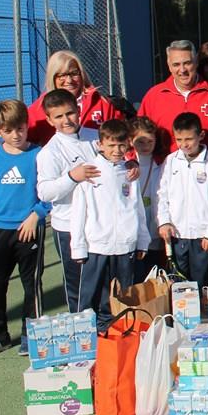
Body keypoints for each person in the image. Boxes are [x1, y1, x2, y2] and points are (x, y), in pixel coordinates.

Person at [0, 100, 50, 359]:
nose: (16, 135)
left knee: (31, 285)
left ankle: (32, 335)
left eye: (20, 128)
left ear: (27, 125)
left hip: (29, 230)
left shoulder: (40, 155)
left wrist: (35, 216)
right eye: (8, 130)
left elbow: (49, 194)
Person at [69, 119, 149, 330]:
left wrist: (142, 240)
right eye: (111, 145)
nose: (117, 150)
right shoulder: (88, 172)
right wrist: (78, 247)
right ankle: (86, 334)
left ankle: (119, 332)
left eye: (121, 145)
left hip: (125, 245)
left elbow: (137, 208)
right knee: (92, 294)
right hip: (97, 246)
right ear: (100, 144)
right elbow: (78, 213)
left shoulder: (130, 172)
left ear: (128, 145)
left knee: (122, 294)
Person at [35, 89, 102, 312]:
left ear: (79, 110)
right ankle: (81, 330)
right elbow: (45, 192)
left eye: (70, 113)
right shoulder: (50, 152)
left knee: (103, 280)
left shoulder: (97, 137)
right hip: (69, 227)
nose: (67, 120)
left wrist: (130, 166)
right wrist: (73, 177)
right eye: (59, 116)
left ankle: (106, 330)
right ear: (49, 120)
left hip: (101, 222)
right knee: (77, 284)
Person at [156, 112, 208, 288]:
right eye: (179, 139)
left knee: (200, 282)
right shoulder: (171, 161)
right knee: (178, 284)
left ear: (201, 135)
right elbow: (162, 194)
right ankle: (180, 315)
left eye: (188, 139)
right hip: (177, 233)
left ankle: (201, 313)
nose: (184, 144)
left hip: (202, 236)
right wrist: (164, 222)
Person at [138, 40, 208, 153]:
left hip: (207, 167)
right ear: (169, 66)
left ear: (196, 62)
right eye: (176, 64)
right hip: (164, 168)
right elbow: (137, 134)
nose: (182, 70)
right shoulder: (154, 96)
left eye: (187, 63)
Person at [14, 50, 123, 148]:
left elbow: (122, 135)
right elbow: (17, 138)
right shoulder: (38, 109)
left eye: (74, 73)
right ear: (53, 78)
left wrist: (131, 160)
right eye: (62, 75)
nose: (69, 80)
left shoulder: (100, 103)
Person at [129, 116, 164, 280]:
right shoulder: (125, 165)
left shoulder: (161, 164)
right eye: (140, 142)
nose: (146, 146)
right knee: (136, 275)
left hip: (154, 228)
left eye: (150, 142)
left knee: (154, 272)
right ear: (130, 140)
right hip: (133, 230)